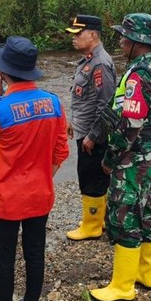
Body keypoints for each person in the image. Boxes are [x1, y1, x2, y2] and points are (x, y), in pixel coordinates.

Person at [0, 36, 69, 301]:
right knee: (35, 255)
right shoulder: (53, 103)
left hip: (5, 199)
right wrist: (44, 177)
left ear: (2, 73)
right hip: (39, 196)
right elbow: (61, 150)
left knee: (4, 260)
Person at [90, 13, 151, 301]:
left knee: (124, 217)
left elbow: (131, 125)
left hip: (136, 158)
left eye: (124, 36)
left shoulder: (139, 74)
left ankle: (122, 286)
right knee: (150, 212)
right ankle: (146, 273)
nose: (121, 40)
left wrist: (111, 157)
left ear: (137, 40)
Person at [63, 15, 117, 241]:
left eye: (78, 34)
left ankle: (92, 226)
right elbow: (83, 97)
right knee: (90, 174)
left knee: (91, 177)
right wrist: (73, 121)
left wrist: (93, 136)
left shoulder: (100, 63)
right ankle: (96, 219)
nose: (73, 39)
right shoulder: (88, 59)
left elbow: (106, 104)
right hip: (85, 129)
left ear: (93, 35)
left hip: (94, 134)